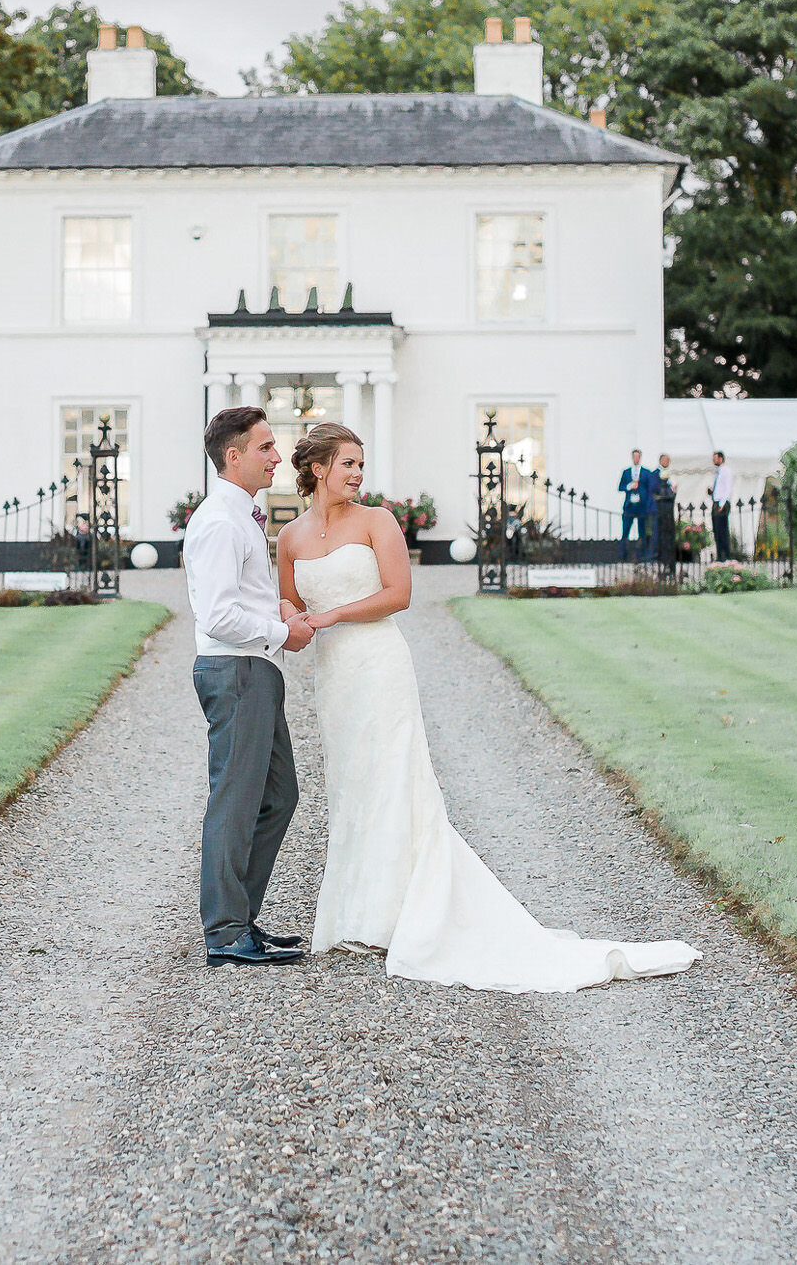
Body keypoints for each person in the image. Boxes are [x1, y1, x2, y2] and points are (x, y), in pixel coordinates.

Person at [276, 422, 700, 992]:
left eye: (361, 463)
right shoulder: (290, 538)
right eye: (347, 463)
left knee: (396, 779)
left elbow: (399, 594)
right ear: (319, 468)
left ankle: (402, 915)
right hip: (335, 677)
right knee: (351, 783)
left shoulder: (378, 522)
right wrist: (292, 618)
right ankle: (359, 916)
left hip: (379, 664)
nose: (357, 473)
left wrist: (326, 618)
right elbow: (290, 599)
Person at [182, 407, 313, 967]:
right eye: (265, 447)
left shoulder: (244, 516)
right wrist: (281, 630)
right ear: (233, 456)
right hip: (235, 670)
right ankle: (225, 931)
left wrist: (276, 617)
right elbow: (216, 615)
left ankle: (241, 917)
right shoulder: (219, 521)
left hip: (256, 669)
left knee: (280, 796)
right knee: (234, 801)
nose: (277, 457)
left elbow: (241, 597)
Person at [615, 447, 651, 560]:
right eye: (634, 456)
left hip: (641, 506)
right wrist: (629, 486)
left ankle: (641, 555)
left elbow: (649, 488)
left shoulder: (646, 472)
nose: (636, 458)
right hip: (630, 505)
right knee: (625, 531)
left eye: (638, 456)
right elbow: (620, 487)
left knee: (642, 532)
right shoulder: (626, 472)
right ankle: (623, 555)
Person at [708, 449, 735, 562]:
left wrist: (722, 503)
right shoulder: (718, 472)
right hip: (716, 501)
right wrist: (712, 492)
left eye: (715, 458)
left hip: (721, 503)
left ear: (721, 458)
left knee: (722, 530)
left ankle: (725, 556)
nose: (713, 461)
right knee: (717, 530)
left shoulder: (725, 471)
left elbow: (727, 488)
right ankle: (719, 555)